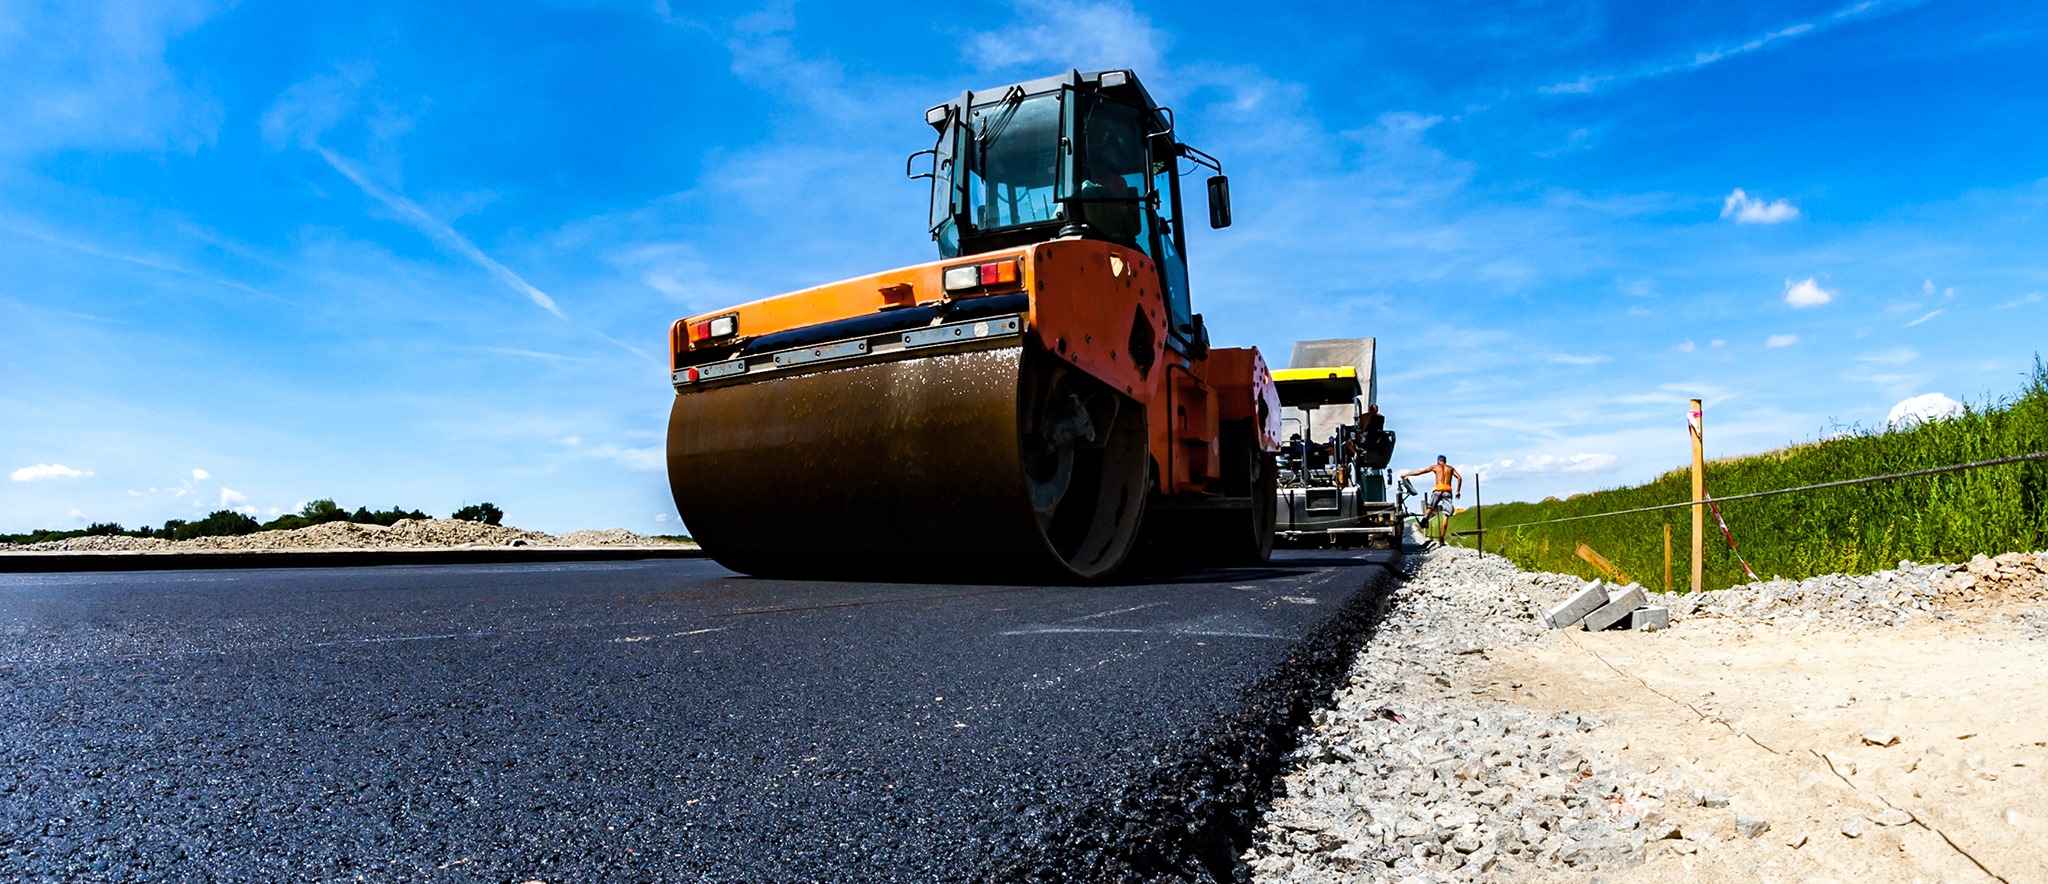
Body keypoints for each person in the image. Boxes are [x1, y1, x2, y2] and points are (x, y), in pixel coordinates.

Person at [1400, 455, 1462, 546]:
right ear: (1445, 461)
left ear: (1438, 461)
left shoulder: (1435, 467)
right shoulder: (1450, 468)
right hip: (1447, 491)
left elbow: (1421, 472)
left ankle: (1426, 517)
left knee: (1430, 507)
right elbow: (1460, 477)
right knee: (1446, 515)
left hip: (1437, 490)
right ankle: (1441, 539)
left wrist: (1406, 474)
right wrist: (1458, 491)